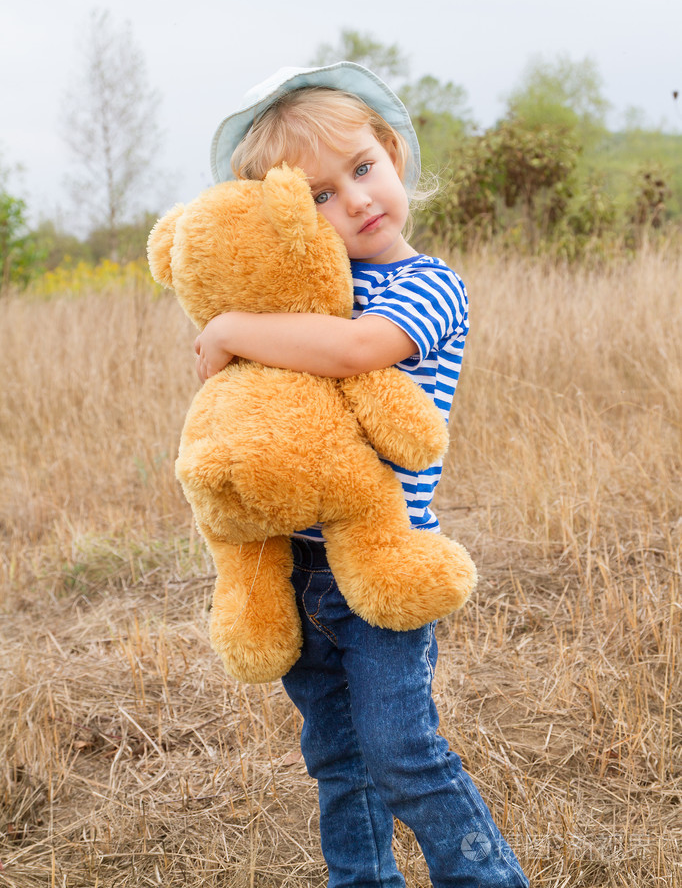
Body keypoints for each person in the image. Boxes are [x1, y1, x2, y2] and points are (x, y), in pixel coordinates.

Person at [195, 62, 529, 888]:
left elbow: (356, 352)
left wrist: (234, 325)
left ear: (392, 152)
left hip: (381, 563)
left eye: (362, 167)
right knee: (337, 758)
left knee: (401, 751)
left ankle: (486, 878)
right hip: (298, 564)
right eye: (315, 196)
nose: (354, 200)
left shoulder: (428, 284)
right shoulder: (311, 296)